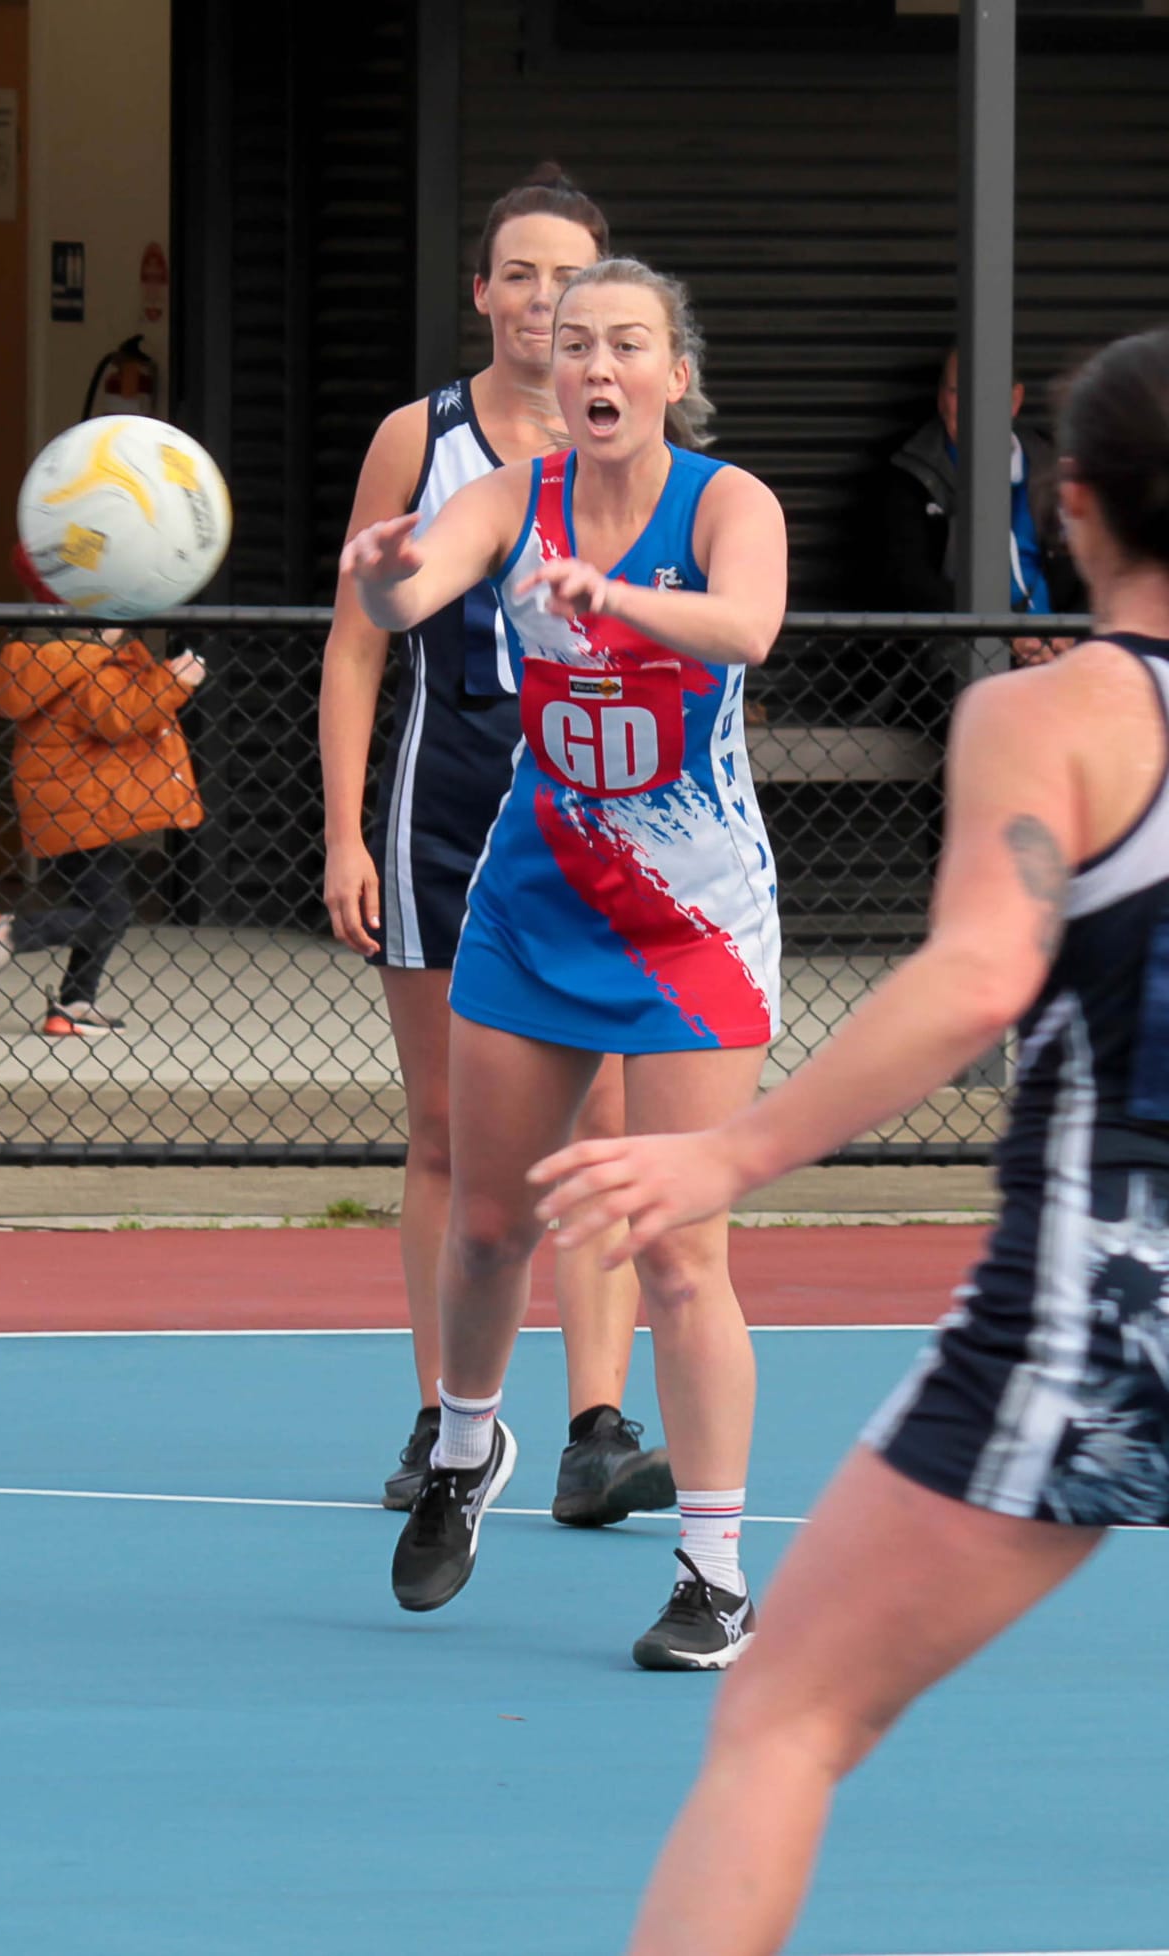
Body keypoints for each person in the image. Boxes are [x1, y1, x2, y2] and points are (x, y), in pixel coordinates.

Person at [532, 324, 1169, 1952]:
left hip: (1108, 1301)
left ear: (1072, 502)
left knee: (783, 1726)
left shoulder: (1068, 715)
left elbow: (976, 974)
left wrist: (727, 1158)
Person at [343, 257, 789, 1669]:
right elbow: (423, 587)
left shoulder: (725, 503)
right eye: (576, 340)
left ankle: (712, 1576)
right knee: (487, 1224)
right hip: (537, 899)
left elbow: (750, 625)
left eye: (628, 344)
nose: (597, 364)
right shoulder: (510, 495)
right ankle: (468, 1449)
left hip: (691, 920)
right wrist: (387, 572)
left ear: (671, 372)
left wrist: (615, 598)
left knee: (677, 1254)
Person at [321, 166, 672, 1525]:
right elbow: (359, 641)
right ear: (480, 292)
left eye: (565, 277)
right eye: (515, 273)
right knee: (449, 1132)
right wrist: (345, 830)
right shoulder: (424, 438)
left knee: (603, 1123)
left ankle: (596, 1427)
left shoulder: (639, 450)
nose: (539, 299)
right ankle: (440, 1422)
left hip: (594, 817)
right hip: (447, 800)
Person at [0, 612, 203, 1038]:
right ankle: (8, 934)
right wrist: (175, 681)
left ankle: (74, 1003)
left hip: (69, 809)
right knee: (110, 913)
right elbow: (117, 717)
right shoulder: (92, 668)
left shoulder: (55, 663)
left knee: (102, 907)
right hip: (85, 810)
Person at [880, 345, 1083, 667]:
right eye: (959, 391)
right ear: (941, 399)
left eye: (988, 392)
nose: (973, 407)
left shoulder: (1052, 466)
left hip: (1062, 652)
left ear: (1014, 400)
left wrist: (1071, 631)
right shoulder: (911, 474)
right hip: (958, 660)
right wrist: (1003, 638)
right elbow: (909, 582)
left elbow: (1100, 562)